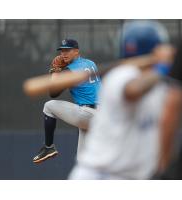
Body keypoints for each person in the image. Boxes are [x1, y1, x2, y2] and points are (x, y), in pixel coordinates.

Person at [68, 20, 180, 180]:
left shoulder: (160, 86)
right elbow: (133, 91)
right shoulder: (121, 75)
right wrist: (162, 67)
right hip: (99, 176)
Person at [33, 38, 101, 163]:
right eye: (62, 51)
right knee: (83, 162)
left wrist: (54, 71)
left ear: (76, 51)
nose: (63, 54)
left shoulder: (69, 70)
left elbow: (53, 93)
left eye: (67, 50)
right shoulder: (91, 63)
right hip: (101, 116)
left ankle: (48, 147)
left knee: (49, 106)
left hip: (87, 114)